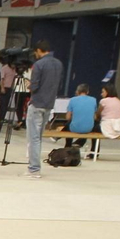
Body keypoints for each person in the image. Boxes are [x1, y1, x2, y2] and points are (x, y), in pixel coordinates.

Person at [26, 41, 65, 178]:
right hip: (49, 103)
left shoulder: (39, 64)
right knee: (39, 137)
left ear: (38, 50)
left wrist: (29, 86)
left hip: (37, 103)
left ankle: (34, 168)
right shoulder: (58, 64)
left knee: (33, 138)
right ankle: (34, 166)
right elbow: (59, 84)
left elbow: (35, 86)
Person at [64, 84, 97, 148]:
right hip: (89, 128)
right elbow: (94, 117)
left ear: (77, 91)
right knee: (95, 126)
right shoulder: (93, 100)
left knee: (69, 124)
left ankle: (67, 146)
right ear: (87, 92)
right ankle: (93, 150)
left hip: (75, 128)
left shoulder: (73, 100)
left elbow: (67, 117)